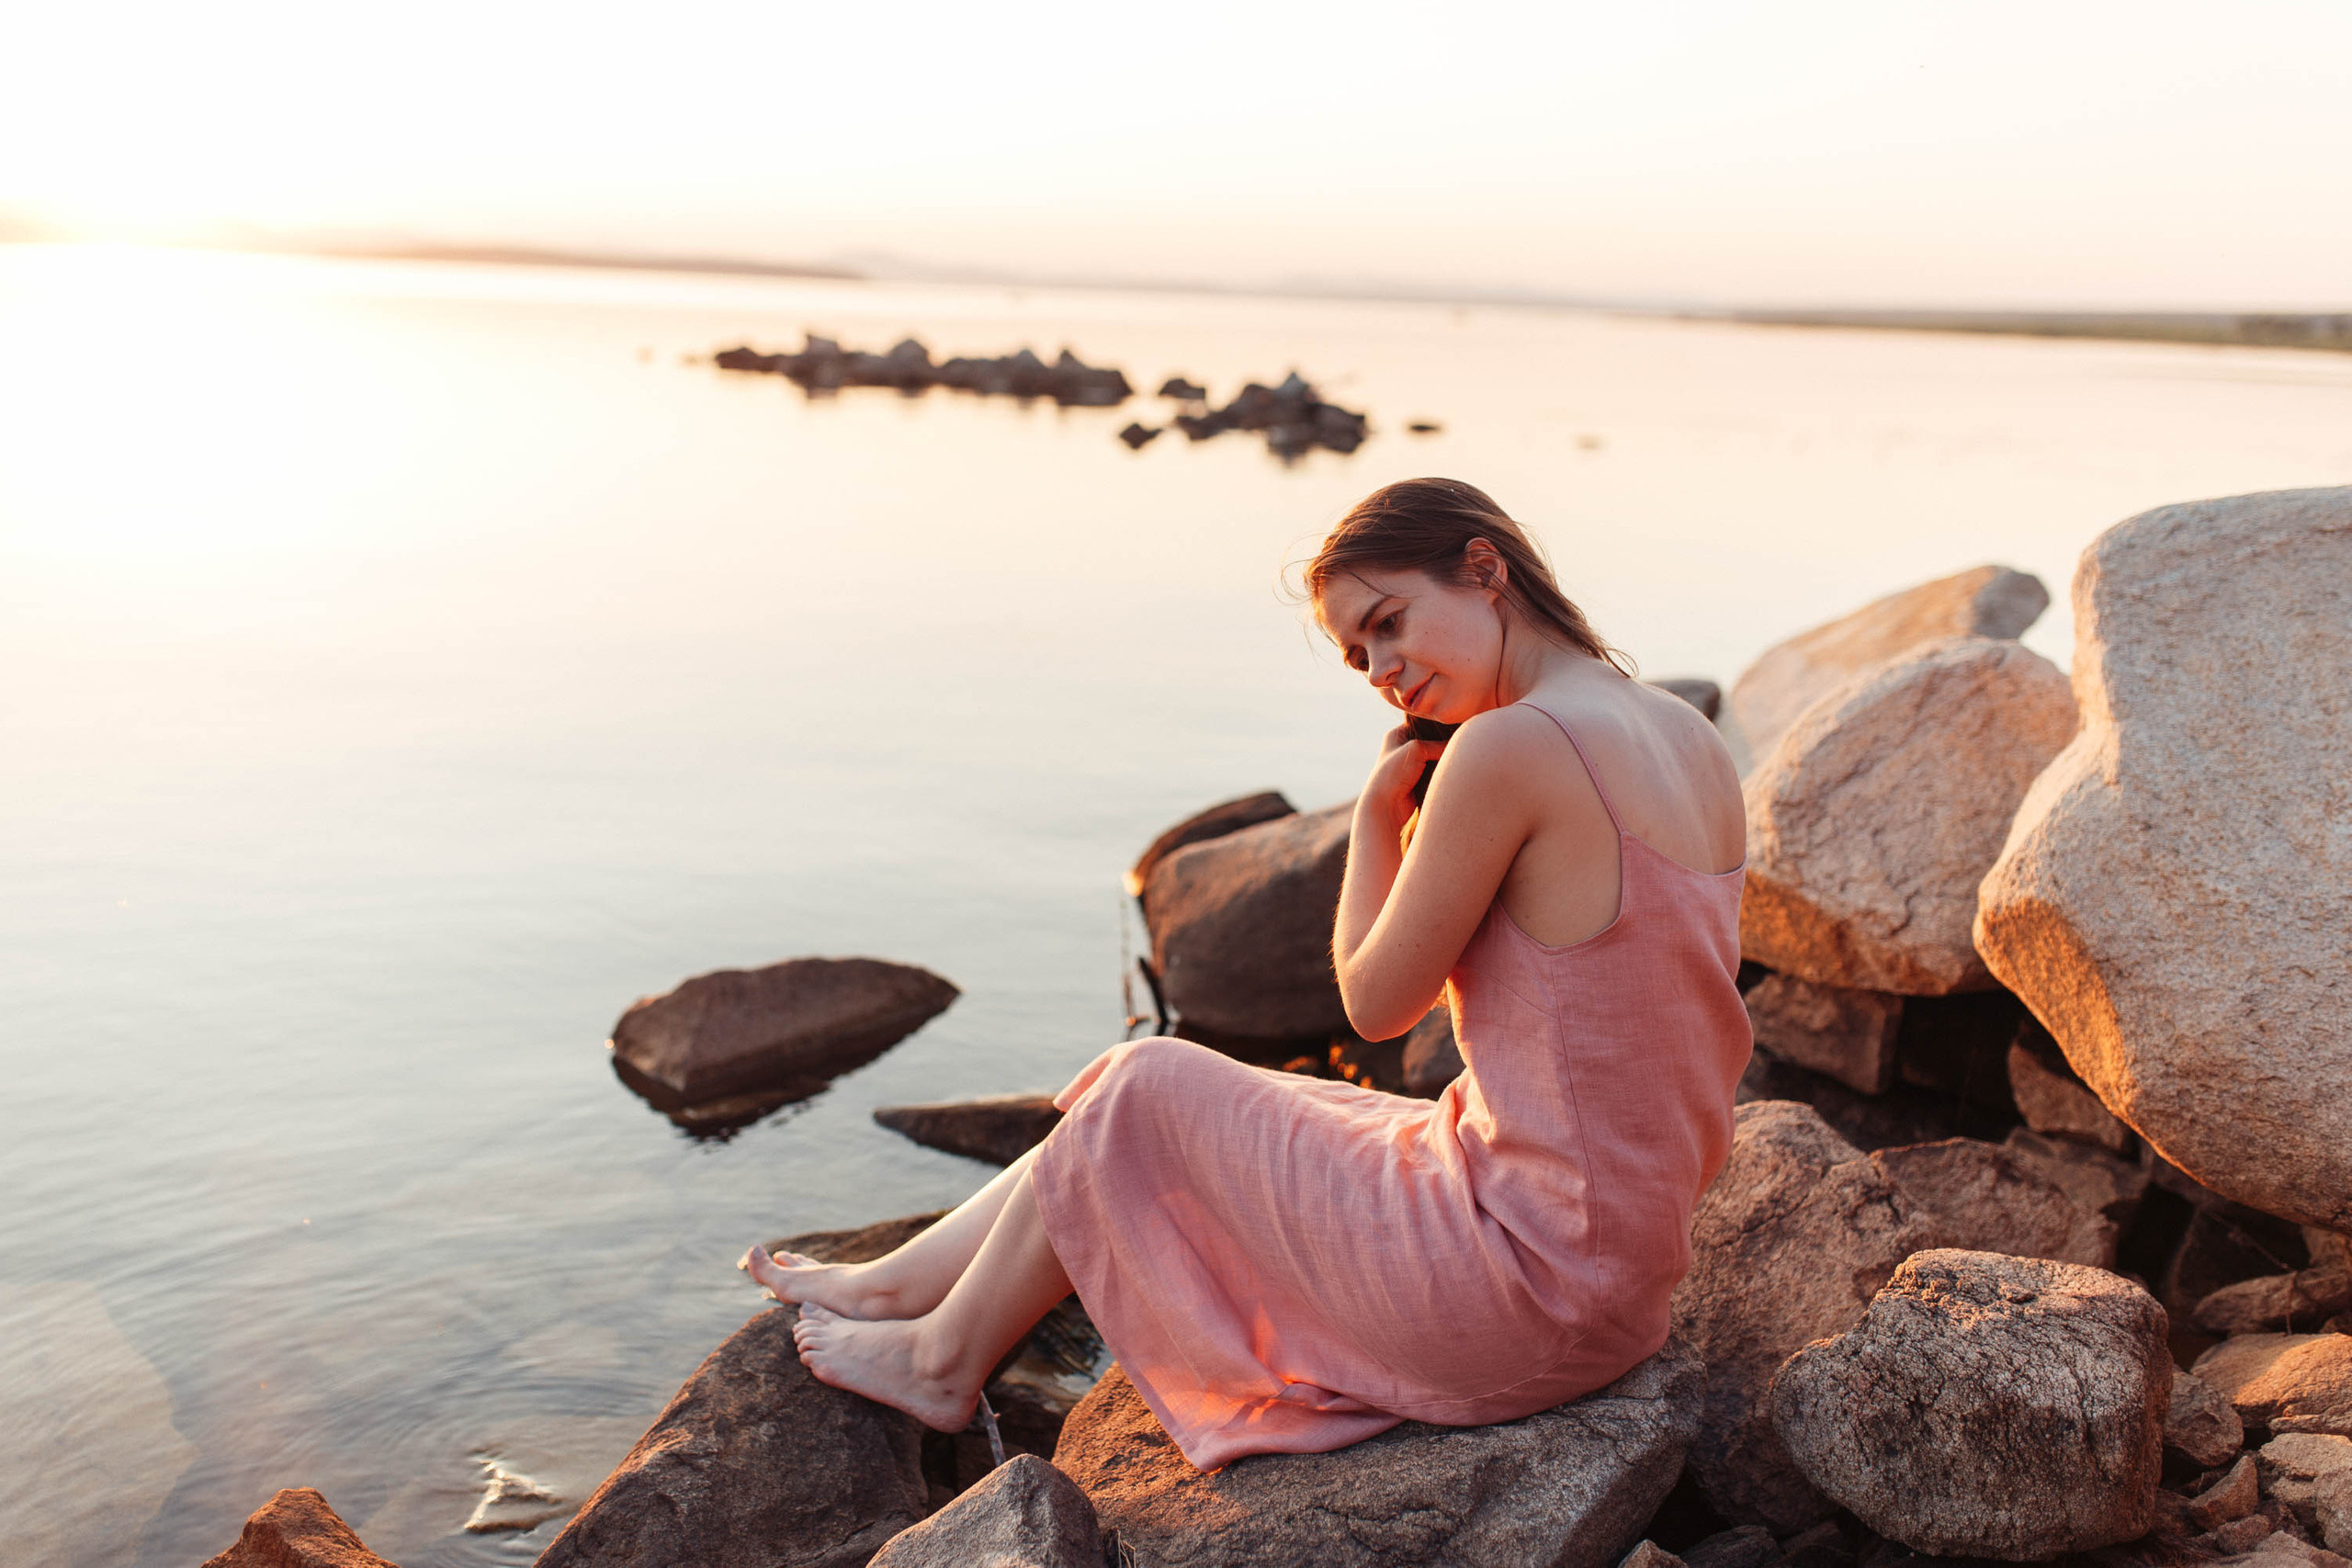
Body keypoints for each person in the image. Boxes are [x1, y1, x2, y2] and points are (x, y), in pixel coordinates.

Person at [741, 476, 1750, 1471]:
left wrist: (1374, 818)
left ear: (1484, 569)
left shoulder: (1510, 747)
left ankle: (939, 1361)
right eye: (1359, 655)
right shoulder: (1688, 735)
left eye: (1389, 623)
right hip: (1615, 1287)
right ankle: (896, 1287)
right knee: (1163, 1090)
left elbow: (1375, 1005)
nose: (1383, 670)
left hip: (1517, 1295)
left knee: (1147, 1084)